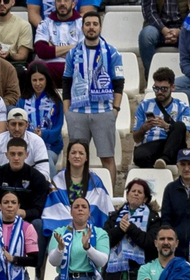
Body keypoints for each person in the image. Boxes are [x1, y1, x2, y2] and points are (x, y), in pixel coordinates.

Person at [58, 10, 121, 173]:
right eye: (87, 24)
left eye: (95, 24)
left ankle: (110, 196)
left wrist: (115, 109)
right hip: (77, 112)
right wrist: (67, 111)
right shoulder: (72, 53)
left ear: (100, 27)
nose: (91, 28)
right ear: (82, 27)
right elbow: (66, 81)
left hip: (103, 111)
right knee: (76, 158)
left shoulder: (112, 52)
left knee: (107, 158)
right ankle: (77, 196)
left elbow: (118, 82)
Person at [105, 177, 155, 280]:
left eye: (140, 192)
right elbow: (105, 240)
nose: (135, 194)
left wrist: (131, 229)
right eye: (133, 191)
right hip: (114, 275)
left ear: (145, 198)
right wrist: (120, 229)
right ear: (127, 195)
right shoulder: (114, 216)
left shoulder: (153, 218)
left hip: (139, 275)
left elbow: (151, 244)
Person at [131, 65, 190, 167]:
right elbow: (136, 139)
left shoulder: (182, 106)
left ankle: (164, 159)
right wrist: (143, 129)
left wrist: (167, 126)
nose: (159, 92)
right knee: (139, 155)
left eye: (164, 89)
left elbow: (185, 136)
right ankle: (159, 164)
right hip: (151, 145)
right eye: (156, 88)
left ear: (172, 87)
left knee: (179, 125)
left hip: (173, 146)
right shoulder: (144, 105)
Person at [0, 134, 47, 218]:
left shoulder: (37, 177)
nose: (16, 158)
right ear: (6, 155)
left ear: (26, 154)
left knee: (38, 224)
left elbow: (38, 210)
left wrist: (23, 213)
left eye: (20, 154)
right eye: (12, 154)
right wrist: (6, 213)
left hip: (26, 220)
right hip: (0, 218)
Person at [0, 103, 47, 175]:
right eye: (13, 124)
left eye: (20, 124)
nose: (17, 129)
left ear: (27, 126)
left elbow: (44, 173)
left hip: (30, 182)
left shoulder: (37, 141)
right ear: (7, 125)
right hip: (3, 182)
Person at [138, 0, 184, 94]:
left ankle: (188, 80)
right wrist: (164, 30)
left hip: (183, 30)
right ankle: (151, 78)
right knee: (146, 36)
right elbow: (149, 13)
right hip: (158, 29)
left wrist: (180, 31)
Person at [19, 61, 62, 156]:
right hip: (26, 147)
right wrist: (32, 134)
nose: (38, 83)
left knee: (47, 161)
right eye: (34, 80)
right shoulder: (22, 101)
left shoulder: (56, 101)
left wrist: (43, 134)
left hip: (51, 147)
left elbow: (57, 129)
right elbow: (18, 126)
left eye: (41, 79)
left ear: (47, 79)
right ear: (30, 81)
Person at [30, 0, 81, 81]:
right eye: (59, 1)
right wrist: (74, 47)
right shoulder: (45, 24)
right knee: (33, 68)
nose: (62, 3)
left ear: (73, 4)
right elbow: (41, 51)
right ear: (55, 4)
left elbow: (84, 51)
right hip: (48, 66)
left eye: (66, 1)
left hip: (75, 66)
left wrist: (53, 48)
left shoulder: (82, 24)